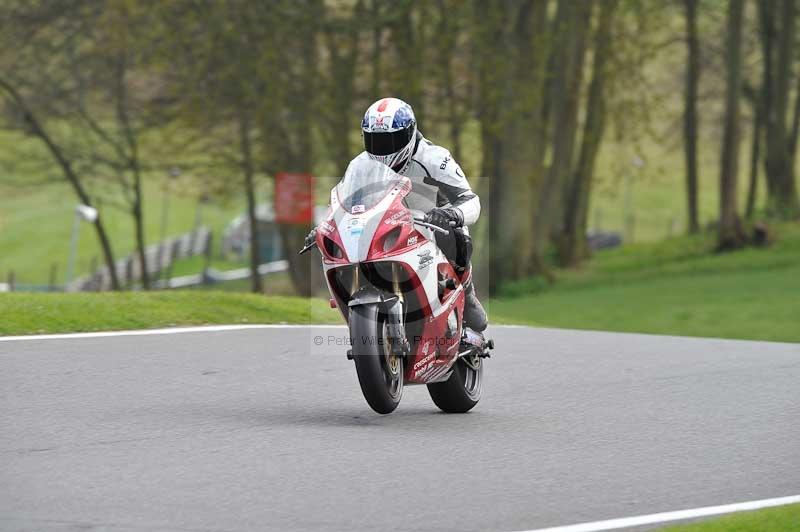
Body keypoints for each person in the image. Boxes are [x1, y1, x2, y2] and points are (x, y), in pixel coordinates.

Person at [307, 97, 487, 332]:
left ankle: (467, 292)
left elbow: (470, 200)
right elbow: (342, 204)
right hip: (387, 223)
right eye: (376, 140)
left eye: (391, 140)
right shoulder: (360, 165)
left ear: (410, 133)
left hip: (432, 221)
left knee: (457, 237)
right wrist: (325, 227)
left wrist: (452, 213)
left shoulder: (435, 158)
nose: (384, 148)